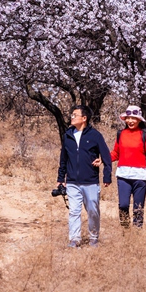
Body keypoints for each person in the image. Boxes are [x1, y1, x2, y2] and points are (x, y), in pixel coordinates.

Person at [56, 104, 112, 248]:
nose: (72, 117)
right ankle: (74, 239)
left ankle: (94, 237)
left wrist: (107, 176)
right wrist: (60, 179)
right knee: (74, 211)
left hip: (90, 181)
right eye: (72, 115)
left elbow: (106, 157)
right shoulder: (68, 135)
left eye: (75, 115)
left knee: (93, 210)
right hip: (73, 181)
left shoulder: (95, 136)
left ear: (84, 118)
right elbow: (63, 159)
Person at [108, 104, 146, 228]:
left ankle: (136, 233)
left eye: (133, 118)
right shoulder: (121, 134)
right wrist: (103, 159)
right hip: (123, 175)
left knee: (138, 207)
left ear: (139, 120)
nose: (130, 121)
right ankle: (125, 230)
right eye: (128, 118)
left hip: (140, 177)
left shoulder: (145, 136)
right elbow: (116, 153)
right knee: (123, 205)